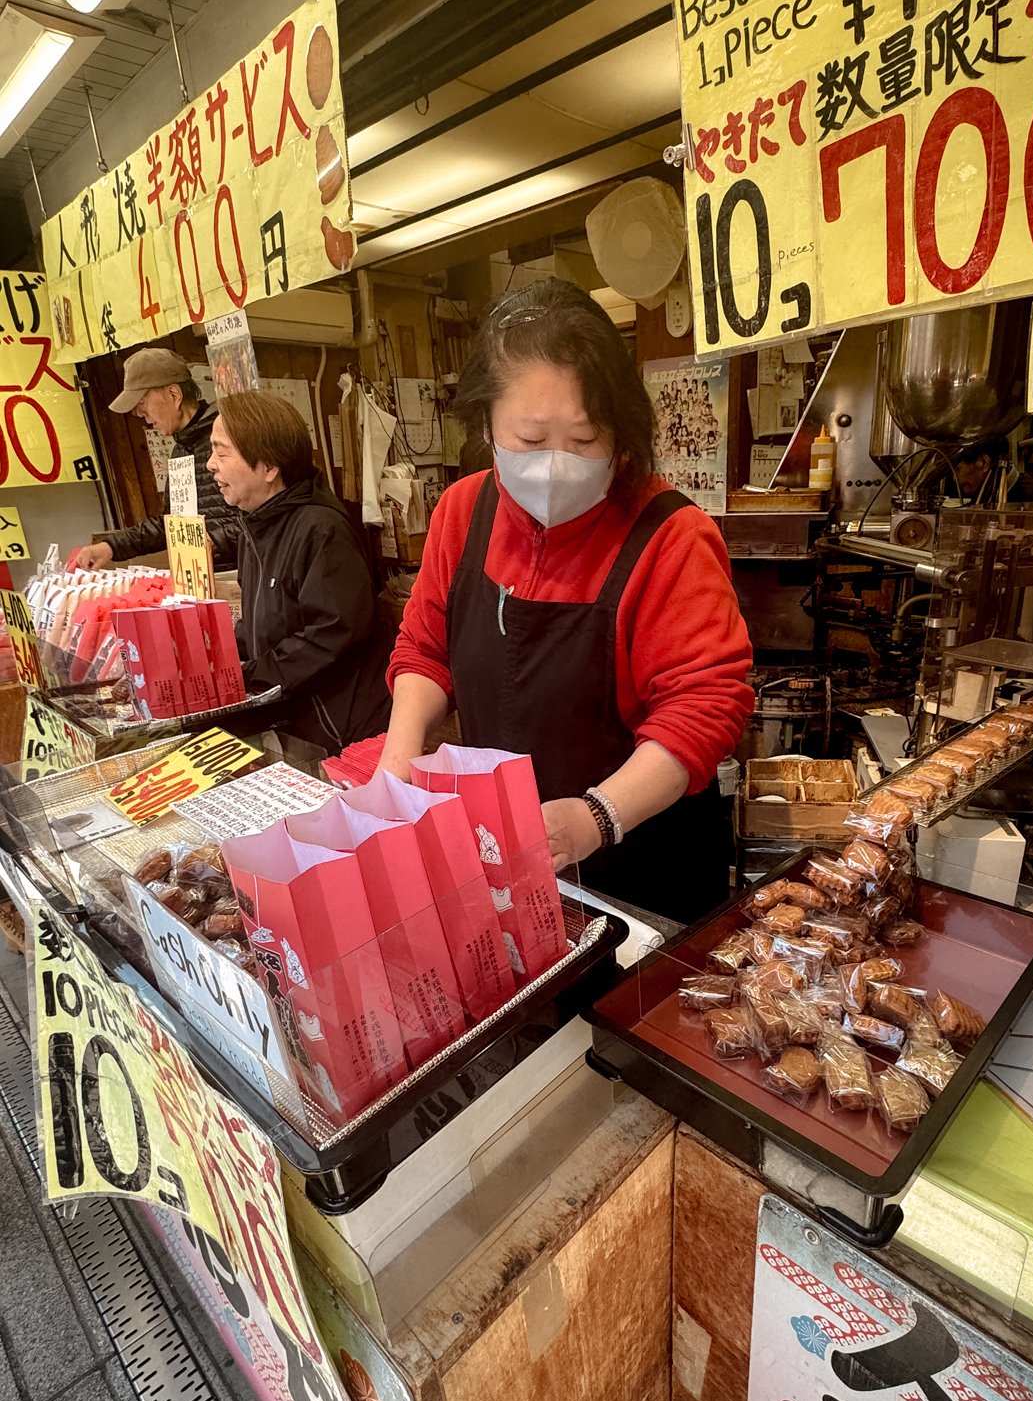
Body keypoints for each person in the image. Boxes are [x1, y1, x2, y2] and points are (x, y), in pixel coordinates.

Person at [381, 278, 754, 924]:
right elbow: (425, 648)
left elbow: (703, 706)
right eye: (530, 440)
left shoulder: (671, 536)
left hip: (643, 865)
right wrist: (399, 753)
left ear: (621, 430)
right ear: (487, 425)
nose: (555, 464)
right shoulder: (462, 512)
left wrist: (596, 817)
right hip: (504, 855)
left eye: (584, 441)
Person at [207, 392, 393, 753]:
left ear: (268, 467)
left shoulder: (320, 528)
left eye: (222, 452)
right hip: (293, 717)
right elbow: (263, 619)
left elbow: (333, 633)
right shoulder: (256, 525)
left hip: (341, 729)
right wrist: (217, 658)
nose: (211, 465)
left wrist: (250, 677)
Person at [73, 347, 242, 571]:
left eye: (142, 402)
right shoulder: (181, 450)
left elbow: (262, 516)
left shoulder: (229, 438)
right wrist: (110, 546)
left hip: (243, 576)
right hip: (202, 578)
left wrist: (213, 542)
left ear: (174, 395)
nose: (138, 413)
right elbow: (169, 524)